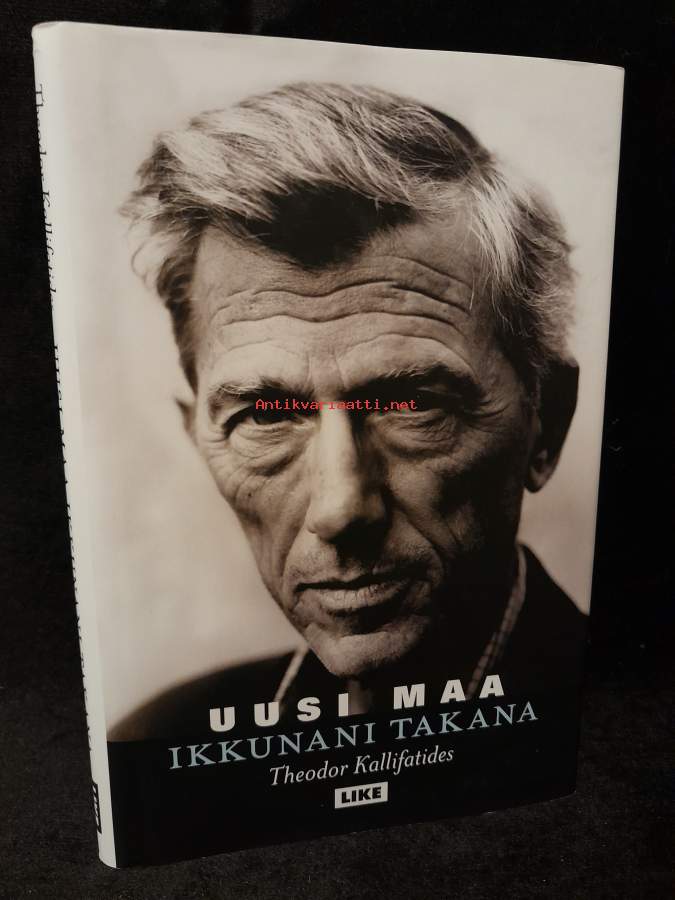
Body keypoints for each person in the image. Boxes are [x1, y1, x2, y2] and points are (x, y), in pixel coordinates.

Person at [110, 83, 586, 740]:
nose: (340, 510)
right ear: (199, 438)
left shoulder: (636, 739)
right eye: (266, 416)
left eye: (410, 405)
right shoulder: (151, 744)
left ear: (547, 422)